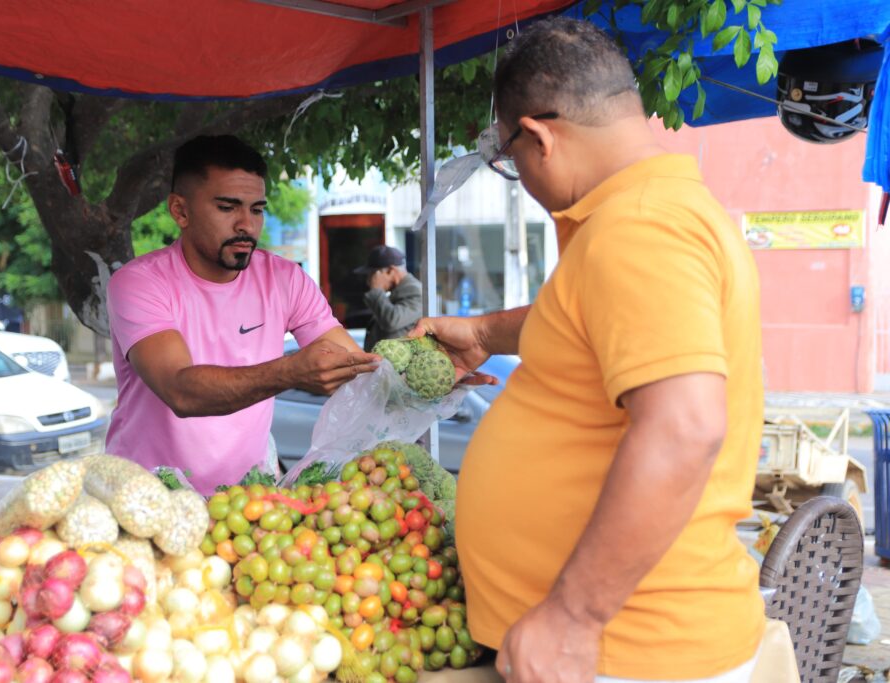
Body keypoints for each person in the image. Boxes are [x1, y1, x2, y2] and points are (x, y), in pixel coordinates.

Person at [412, 17, 765, 683]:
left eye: (508, 160)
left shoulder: (638, 228)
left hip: (627, 651)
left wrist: (575, 614)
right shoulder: (649, 212)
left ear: (538, 138)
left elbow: (685, 427)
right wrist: (484, 332)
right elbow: (584, 322)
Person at [106, 135, 378, 492]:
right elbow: (180, 391)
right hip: (145, 497)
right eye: (227, 207)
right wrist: (291, 371)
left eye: (256, 209)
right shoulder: (138, 283)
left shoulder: (284, 279)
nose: (246, 225)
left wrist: (426, 369)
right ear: (180, 211)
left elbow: (355, 365)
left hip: (248, 502)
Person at [354, 244, 423, 351]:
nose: (369, 280)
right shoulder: (399, 291)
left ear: (390, 270)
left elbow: (392, 321)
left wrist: (376, 290)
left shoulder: (415, 291)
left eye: (372, 274)